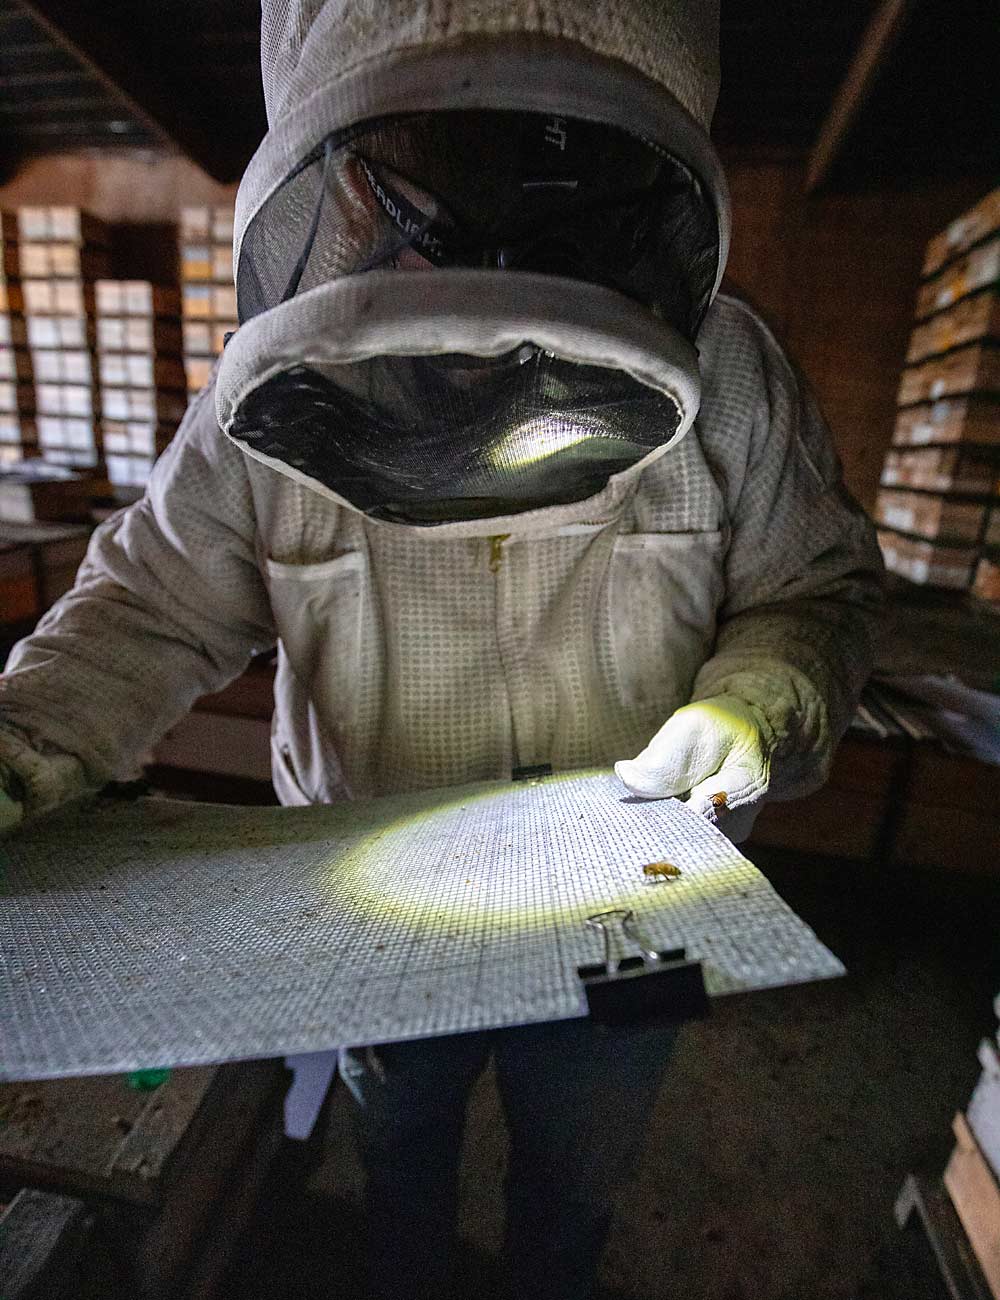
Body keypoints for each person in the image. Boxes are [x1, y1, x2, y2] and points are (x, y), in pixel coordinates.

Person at [0, 1, 883, 1296]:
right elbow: (146, 606)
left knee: (577, 1172)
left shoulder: (733, 376)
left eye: (543, 186)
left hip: (635, 905)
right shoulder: (260, 405)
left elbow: (816, 592)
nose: (488, 244)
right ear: (343, 188)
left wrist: (755, 702)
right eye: (433, 196)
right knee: (398, 1150)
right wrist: (19, 749)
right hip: (372, 904)